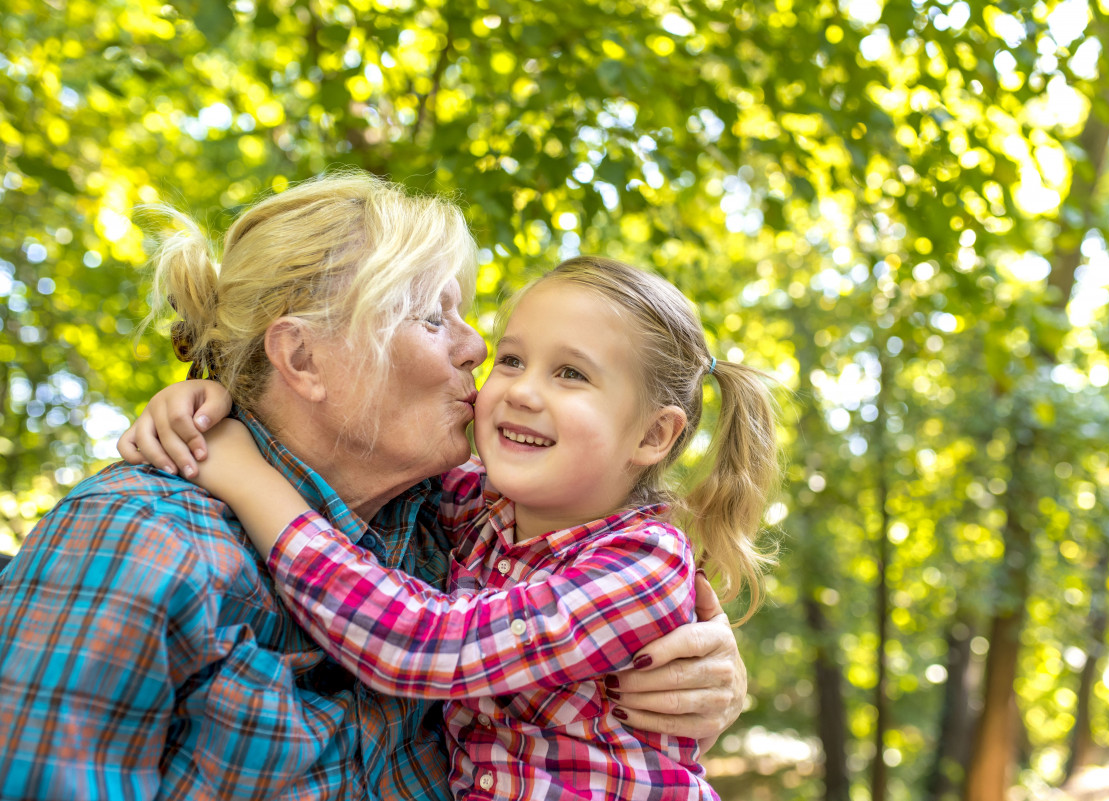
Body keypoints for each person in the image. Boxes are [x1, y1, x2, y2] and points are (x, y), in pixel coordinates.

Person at [0, 173, 746, 801]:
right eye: (432, 315)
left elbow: (554, 598)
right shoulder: (136, 538)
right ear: (303, 358)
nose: (477, 349)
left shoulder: (441, 531)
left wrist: (700, 670)